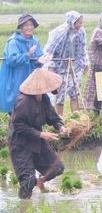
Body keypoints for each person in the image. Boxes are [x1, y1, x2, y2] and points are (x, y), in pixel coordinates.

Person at [7, 69, 68, 199]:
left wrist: (60, 127)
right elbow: (18, 126)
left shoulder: (43, 98)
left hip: (37, 140)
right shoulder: (23, 101)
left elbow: (53, 117)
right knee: (27, 182)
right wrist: (41, 134)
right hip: (20, 143)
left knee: (57, 168)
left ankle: (40, 181)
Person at [43, 10, 87, 116]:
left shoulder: (81, 32)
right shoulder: (59, 33)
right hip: (60, 68)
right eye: (78, 23)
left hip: (75, 66)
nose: (79, 25)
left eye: (81, 23)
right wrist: (51, 68)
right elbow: (50, 51)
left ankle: (76, 117)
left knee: (75, 92)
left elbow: (83, 48)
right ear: (71, 21)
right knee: (60, 95)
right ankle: (60, 120)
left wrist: (85, 63)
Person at [0, 14, 44, 114]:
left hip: (29, 77)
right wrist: (27, 54)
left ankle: (28, 128)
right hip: (15, 78)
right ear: (20, 27)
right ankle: (14, 128)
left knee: (30, 106)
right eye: (26, 25)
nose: (29, 27)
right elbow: (12, 60)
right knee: (16, 105)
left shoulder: (34, 41)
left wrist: (40, 61)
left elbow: (36, 60)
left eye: (31, 25)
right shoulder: (13, 42)